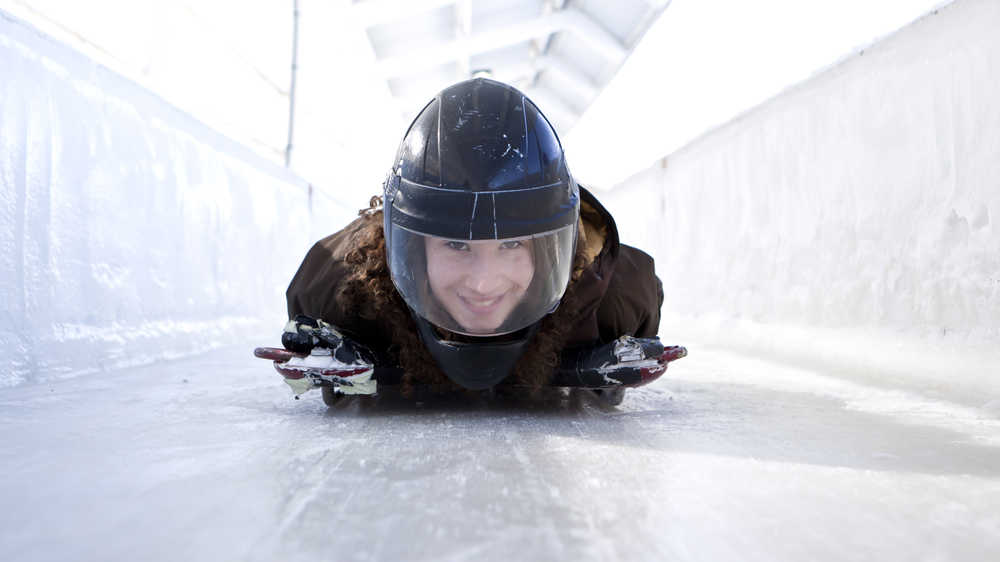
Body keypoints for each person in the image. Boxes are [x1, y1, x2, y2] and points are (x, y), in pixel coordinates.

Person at [280, 78, 668, 403]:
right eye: (456, 244)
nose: (484, 282)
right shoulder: (337, 292)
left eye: (512, 244)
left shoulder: (614, 295)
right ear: (412, 252)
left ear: (551, 253)